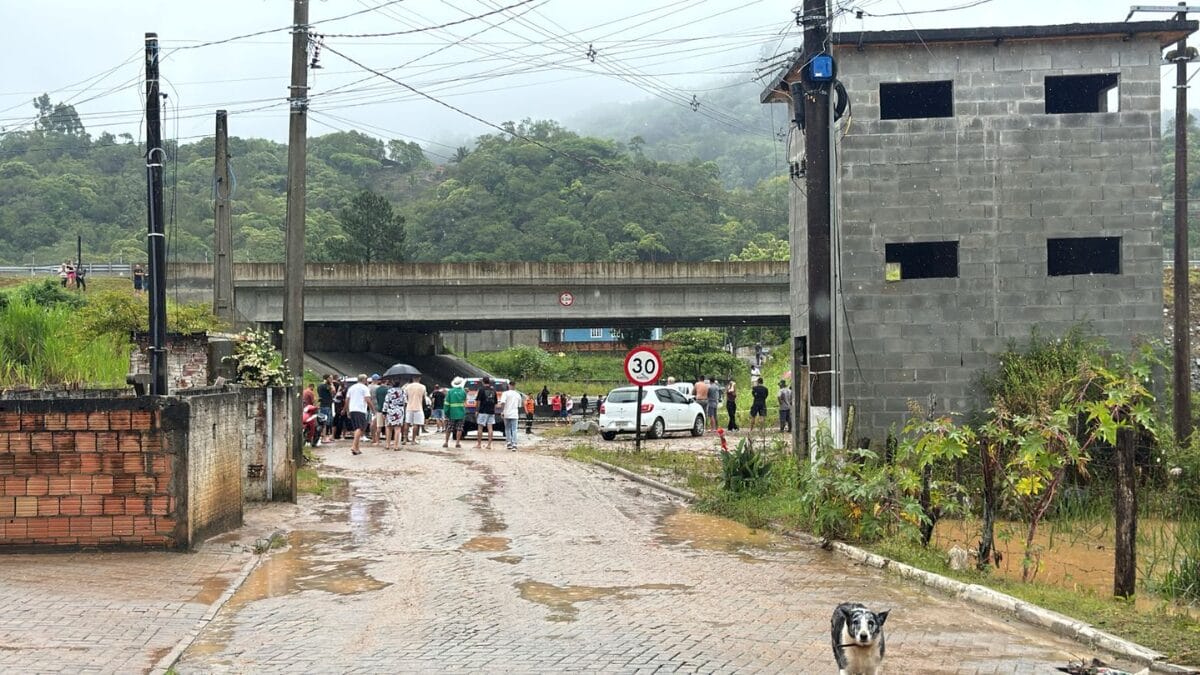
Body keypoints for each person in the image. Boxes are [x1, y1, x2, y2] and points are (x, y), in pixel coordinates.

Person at [345, 374, 374, 455]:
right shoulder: (365, 388)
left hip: (352, 409)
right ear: (364, 380)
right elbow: (367, 399)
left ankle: (357, 448)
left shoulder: (351, 388)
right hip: (360, 409)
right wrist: (373, 409)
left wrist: (347, 410)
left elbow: (347, 399)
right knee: (360, 428)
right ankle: (354, 446)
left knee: (356, 428)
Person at [474, 376, 498, 449]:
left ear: (483, 382)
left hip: (483, 411)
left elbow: (478, 401)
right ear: (489, 382)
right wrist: (493, 411)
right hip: (491, 411)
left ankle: (479, 444)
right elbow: (495, 402)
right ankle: (489, 445)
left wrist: (477, 410)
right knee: (490, 428)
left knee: (480, 427)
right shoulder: (493, 390)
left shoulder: (481, 390)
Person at [443, 377, 467, 449]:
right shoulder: (463, 392)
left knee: (449, 428)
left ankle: (446, 442)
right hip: (461, 413)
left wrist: (446, 413)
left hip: (452, 413)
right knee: (459, 428)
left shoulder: (450, 391)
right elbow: (464, 402)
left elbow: (446, 403)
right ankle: (457, 443)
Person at [403, 375, 427, 444]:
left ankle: (405, 439)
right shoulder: (423, 387)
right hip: (418, 407)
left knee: (407, 423)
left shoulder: (408, 386)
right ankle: (413, 440)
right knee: (416, 424)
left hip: (409, 407)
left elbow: (405, 396)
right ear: (419, 378)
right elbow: (424, 397)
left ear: (412, 378)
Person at [499, 381, 523, 451]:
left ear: (509, 385)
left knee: (507, 428)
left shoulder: (505, 393)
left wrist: (502, 411)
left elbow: (502, 403)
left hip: (506, 413)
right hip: (514, 413)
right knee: (514, 429)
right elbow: (519, 405)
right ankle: (514, 444)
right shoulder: (518, 394)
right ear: (515, 386)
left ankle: (509, 443)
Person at [383, 382, 406, 450]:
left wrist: (384, 411)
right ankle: (396, 446)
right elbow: (405, 401)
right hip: (399, 410)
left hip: (390, 409)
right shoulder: (402, 391)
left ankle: (387, 444)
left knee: (388, 427)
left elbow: (386, 401)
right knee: (397, 428)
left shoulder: (389, 391)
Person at [317, 375, 335, 442]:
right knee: (326, 422)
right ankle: (324, 437)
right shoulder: (326, 386)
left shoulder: (319, 386)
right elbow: (333, 391)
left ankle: (323, 437)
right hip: (327, 405)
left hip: (322, 405)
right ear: (327, 379)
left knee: (322, 421)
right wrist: (332, 384)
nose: (332, 380)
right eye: (331, 378)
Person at [370, 375, 386, 444]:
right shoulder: (377, 388)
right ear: (376, 380)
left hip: (370, 405)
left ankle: (373, 438)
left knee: (373, 422)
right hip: (377, 406)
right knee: (376, 424)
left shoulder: (368, 387)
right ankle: (376, 439)